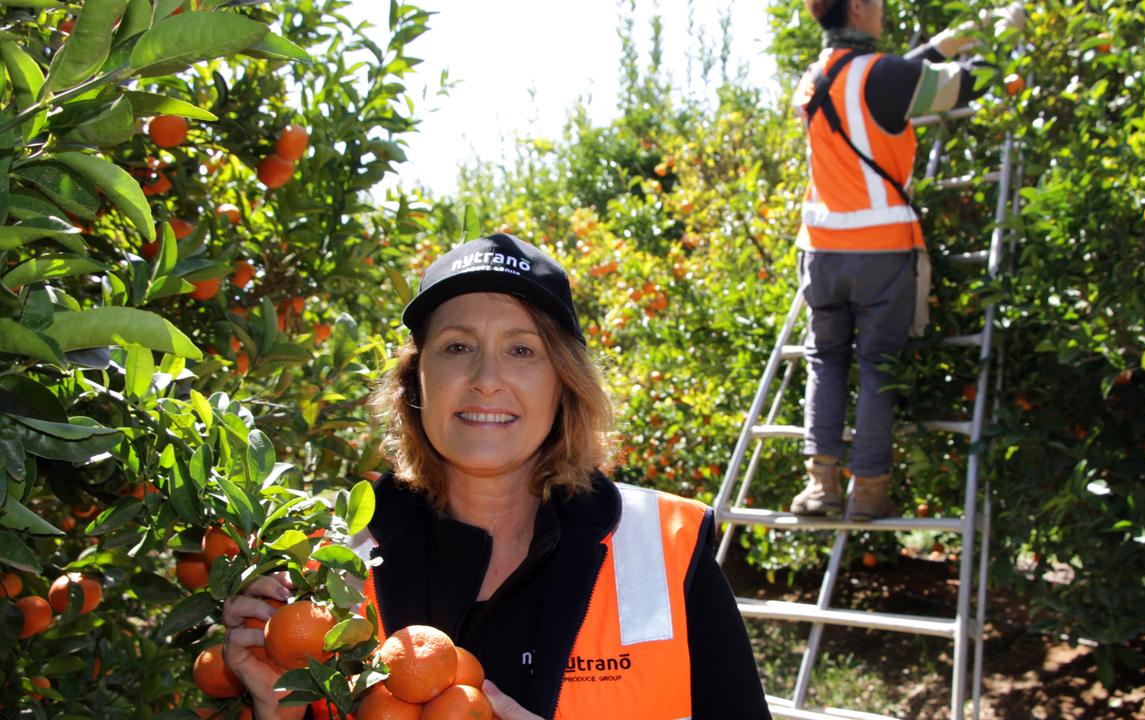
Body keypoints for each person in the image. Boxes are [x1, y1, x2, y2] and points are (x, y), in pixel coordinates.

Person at [221, 233, 771, 719]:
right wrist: (276, 708)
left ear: (564, 383)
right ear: (417, 382)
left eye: (522, 350)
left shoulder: (668, 548)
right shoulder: (326, 566)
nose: (487, 379)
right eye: (458, 347)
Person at [788, 0, 1024, 519]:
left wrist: (952, 38)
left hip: (821, 251)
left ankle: (819, 485)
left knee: (825, 361)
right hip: (880, 250)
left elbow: (890, 76)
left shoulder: (814, 77)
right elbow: (964, 84)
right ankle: (868, 490)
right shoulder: (883, 77)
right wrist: (1003, 34)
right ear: (858, 7)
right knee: (877, 366)